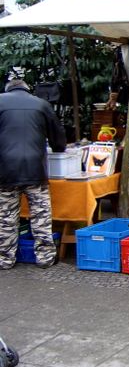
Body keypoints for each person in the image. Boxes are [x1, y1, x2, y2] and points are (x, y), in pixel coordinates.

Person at [0, 79, 66, 269]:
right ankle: (45, 257)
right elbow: (58, 137)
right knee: (40, 216)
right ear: (27, 90)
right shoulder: (41, 104)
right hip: (36, 170)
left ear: (8, 89)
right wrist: (59, 147)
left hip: (5, 171)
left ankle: (5, 259)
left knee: (6, 218)